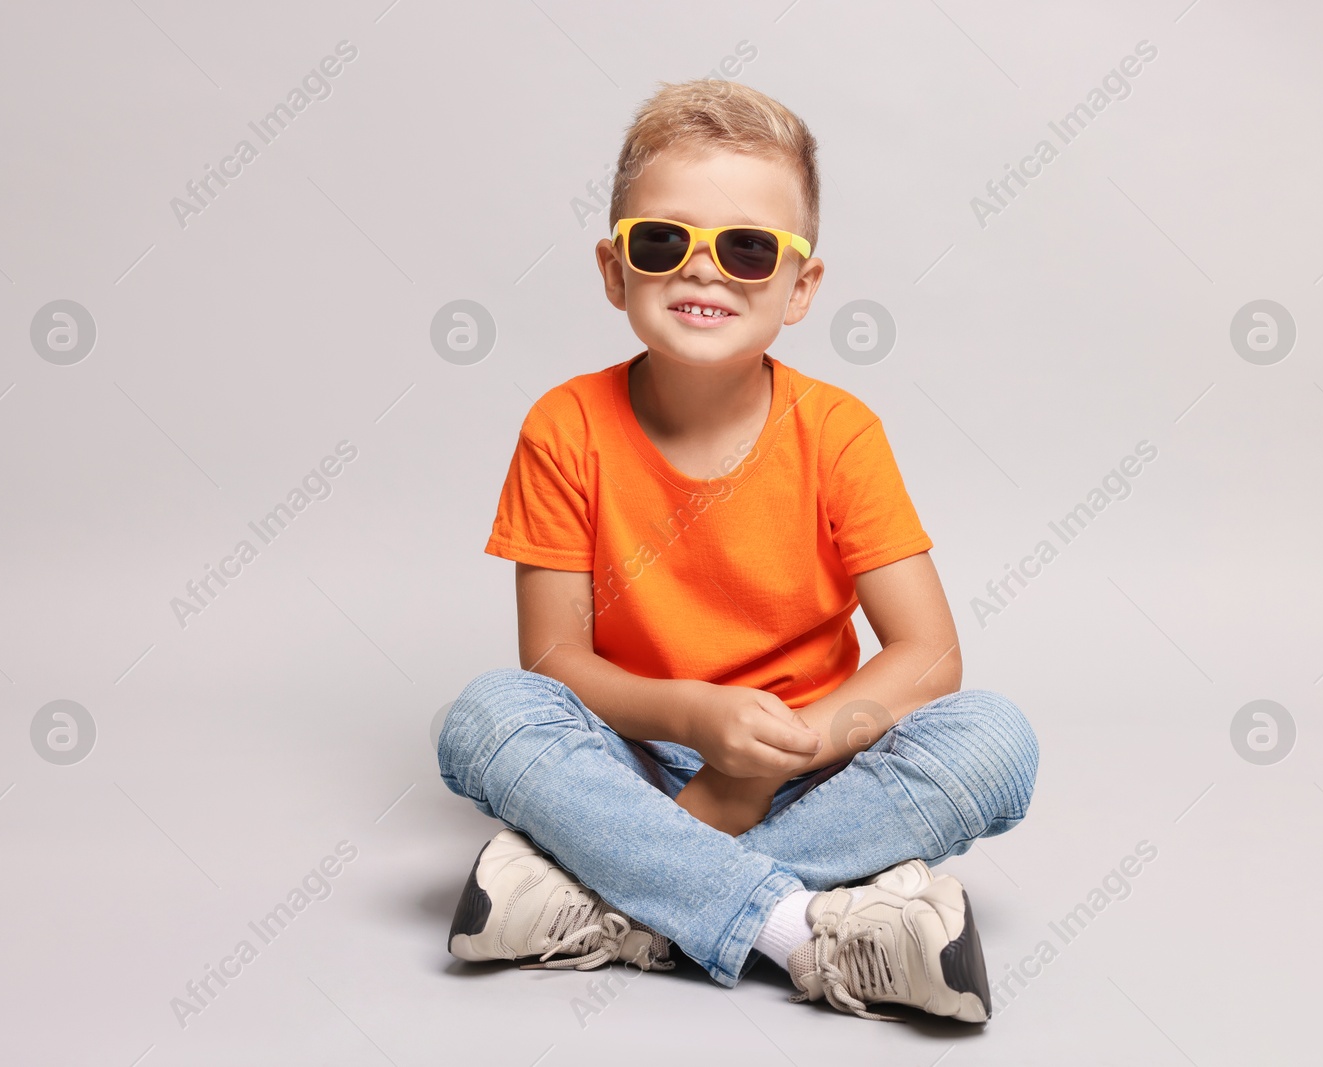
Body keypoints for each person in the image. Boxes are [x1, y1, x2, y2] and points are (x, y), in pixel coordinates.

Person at [436, 77, 1039, 1023]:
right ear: (614, 270)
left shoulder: (838, 434)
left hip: (810, 761)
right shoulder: (565, 426)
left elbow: (929, 656)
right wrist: (692, 718)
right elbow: (552, 658)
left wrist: (766, 762)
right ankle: (805, 928)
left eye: (750, 250)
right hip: (630, 756)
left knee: (995, 741)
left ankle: (610, 901)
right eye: (664, 241)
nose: (703, 272)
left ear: (801, 288)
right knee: (487, 719)